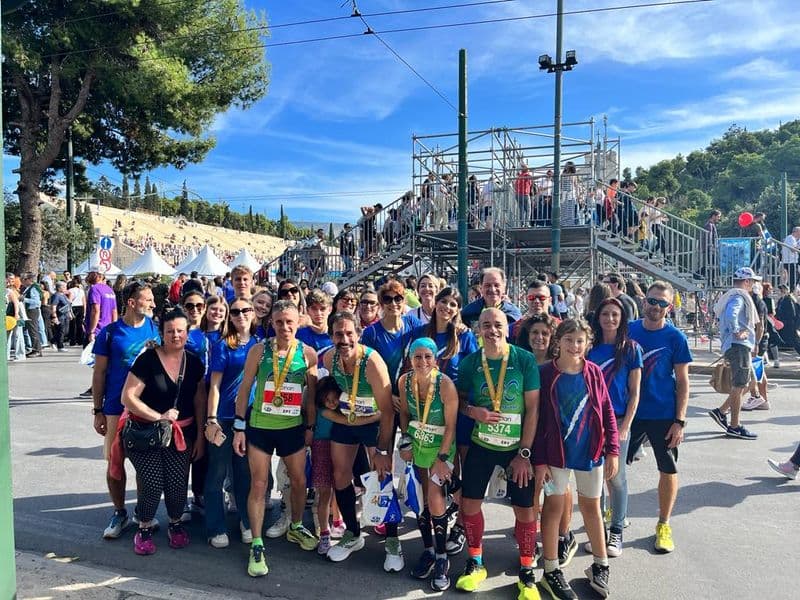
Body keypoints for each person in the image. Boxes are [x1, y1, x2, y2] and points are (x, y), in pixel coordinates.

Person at [454, 309, 541, 598]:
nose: (492, 330)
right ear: (478, 329)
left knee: (525, 508)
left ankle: (527, 568)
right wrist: (472, 411)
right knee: (469, 505)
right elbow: (460, 401)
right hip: (482, 445)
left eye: (498, 325)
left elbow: (532, 410)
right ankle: (475, 561)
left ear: (508, 328)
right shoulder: (469, 363)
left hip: (516, 449)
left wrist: (524, 454)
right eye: (486, 325)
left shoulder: (523, 360)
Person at [233, 300, 319, 577]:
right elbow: (245, 389)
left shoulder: (307, 354)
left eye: (289, 322)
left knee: (299, 481)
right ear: (271, 322)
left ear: (298, 322)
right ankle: (257, 544)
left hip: (292, 427)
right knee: (259, 485)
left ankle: (295, 526)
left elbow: (313, 397)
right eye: (279, 322)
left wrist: (310, 426)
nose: (284, 327)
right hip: (259, 425)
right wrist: (239, 427)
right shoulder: (259, 351)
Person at [535, 319, 619, 599]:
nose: (575, 346)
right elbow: (534, 419)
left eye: (580, 340)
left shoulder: (594, 372)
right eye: (569, 340)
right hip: (555, 455)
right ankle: (550, 570)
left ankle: (600, 565)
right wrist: (538, 459)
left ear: (588, 343)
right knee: (553, 507)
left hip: (590, 453)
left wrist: (613, 450)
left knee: (592, 508)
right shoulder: (545, 373)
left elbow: (607, 411)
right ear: (558, 341)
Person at [120, 309, 207, 555]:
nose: (175, 335)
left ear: (187, 333)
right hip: (145, 432)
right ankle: (144, 526)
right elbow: (128, 396)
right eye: (170, 331)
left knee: (178, 482)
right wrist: (158, 417)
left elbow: (200, 399)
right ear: (162, 333)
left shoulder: (194, 362)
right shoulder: (147, 359)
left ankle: (176, 523)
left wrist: (200, 435)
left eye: (180, 330)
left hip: (183, 432)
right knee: (152, 481)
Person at [320, 312, 395, 568]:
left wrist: (383, 451)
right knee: (340, 474)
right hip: (348, 420)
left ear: (358, 335)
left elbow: (388, 411)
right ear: (331, 336)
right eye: (338, 334)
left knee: (381, 475)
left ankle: (393, 542)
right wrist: (344, 420)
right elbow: (323, 402)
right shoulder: (329, 358)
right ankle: (352, 533)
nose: (344, 339)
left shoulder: (372, 362)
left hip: (375, 422)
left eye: (349, 333)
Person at [412, 287, 479, 556]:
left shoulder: (464, 336)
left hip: (459, 412)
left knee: (461, 471)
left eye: (453, 304)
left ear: (458, 308)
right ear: (435, 304)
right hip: (428, 417)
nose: (447, 307)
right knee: (433, 472)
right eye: (443, 302)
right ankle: (435, 516)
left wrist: (470, 408)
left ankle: (460, 527)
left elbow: (474, 373)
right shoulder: (421, 334)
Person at [93, 282, 161, 539]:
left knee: (144, 464)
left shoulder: (155, 329)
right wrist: (97, 410)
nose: (153, 304)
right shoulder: (110, 333)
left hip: (145, 407)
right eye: (147, 299)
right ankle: (119, 512)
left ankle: (143, 513)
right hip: (114, 408)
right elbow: (99, 373)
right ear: (132, 302)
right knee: (114, 463)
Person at [628, 281, 691, 553]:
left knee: (667, 469)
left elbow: (684, 381)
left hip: (663, 414)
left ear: (670, 307)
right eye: (652, 301)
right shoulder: (628, 330)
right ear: (644, 302)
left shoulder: (676, 338)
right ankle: (613, 514)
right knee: (612, 465)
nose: (656, 307)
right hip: (628, 413)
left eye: (662, 303)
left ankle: (664, 524)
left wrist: (680, 420)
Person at [398, 338, 459, 591]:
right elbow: (404, 413)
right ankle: (428, 550)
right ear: (410, 359)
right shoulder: (404, 381)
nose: (422, 362)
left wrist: (444, 459)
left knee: (435, 500)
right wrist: (404, 441)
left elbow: (451, 426)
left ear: (435, 359)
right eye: (417, 357)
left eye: (427, 357)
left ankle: (443, 558)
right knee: (420, 500)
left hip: (440, 449)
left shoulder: (445, 385)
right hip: (417, 445)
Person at [587, 298, 642, 557]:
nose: (610, 319)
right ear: (598, 317)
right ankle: (597, 528)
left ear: (622, 319)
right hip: (590, 422)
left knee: (616, 478)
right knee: (594, 479)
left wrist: (625, 427)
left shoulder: (630, 349)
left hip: (618, 422)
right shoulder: (589, 348)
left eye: (615, 315)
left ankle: (616, 529)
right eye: (605, 314)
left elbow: (634, 394)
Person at [204, 298, 258, 548]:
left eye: (246, 310)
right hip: (224, 418)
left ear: (253, 313)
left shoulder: (261, 344)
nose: (240, 314)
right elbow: (214, 385)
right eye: (235, 311)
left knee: (244, 473)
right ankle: (215, 526)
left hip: (251, 418)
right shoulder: (224, 345)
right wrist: (211, 418)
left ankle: (247, 521)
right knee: (217, 472)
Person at [708, 267, 760, 440]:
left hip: (738, 345)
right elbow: (732, 315)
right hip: (738, 345)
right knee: (739, 385)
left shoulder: (732, 295)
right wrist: (737, 331)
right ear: (746, 282)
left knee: (750, 381)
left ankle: (721, 412)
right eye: (752, 281)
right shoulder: (738, 296)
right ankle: (734, 426)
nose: (753, 285)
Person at [361, 279, 422, 390]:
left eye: (398, 299)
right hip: (384, 393)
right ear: (381, 304)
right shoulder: (371, 333)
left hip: (412, 392)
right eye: (387, 299)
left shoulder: (413, 324)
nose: (393, 304)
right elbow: (368, 370)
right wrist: (387, 395)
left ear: (404, 302)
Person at [511, 280, 559, 346]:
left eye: (542, 298)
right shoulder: (514, 328)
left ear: (550, 300)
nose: (536, 301)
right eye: (531, 298)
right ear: (526, 300)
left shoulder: (560, 327)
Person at [85, 271, 118, 346]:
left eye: (90, 274)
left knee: (89, 356)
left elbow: (95, 311)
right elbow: (114, 311)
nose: (88, 276)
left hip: (97, 330)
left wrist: (92, 331)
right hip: (107, 331)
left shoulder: (95, 289)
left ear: (97, 276)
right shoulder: (110, 290)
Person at [297, 290, 333, 354]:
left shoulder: (336, 336)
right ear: (307, 310)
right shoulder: (298, 334)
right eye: (314, 308)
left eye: (322, 309)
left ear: (330, 309)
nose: (318, 313)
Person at [20, 272, 43, 358]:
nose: (22, 282)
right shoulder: (28, 288)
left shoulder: (33, 288)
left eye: (24, 280)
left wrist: (24, 299)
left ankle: (37, 350)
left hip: (32, 311)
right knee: (30, 330)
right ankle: (34, 348)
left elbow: (37, 302)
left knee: (33, 330)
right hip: (29, 311)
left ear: (29, 280)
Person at [48, 281, 72, 352]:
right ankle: (60, 346)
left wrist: (69, 313)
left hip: (65, 315)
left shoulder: (63, 295)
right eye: (64, 287)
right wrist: (54, 316)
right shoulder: (56, 295)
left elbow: (68, 304)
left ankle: (52, 340)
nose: (65, 288)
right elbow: (53, 306)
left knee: (65, 331)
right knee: (61, 331)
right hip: (59, 316)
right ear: (59, 287)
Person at [67, 278, 86, 346]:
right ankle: (80, 340)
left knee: (73, 324)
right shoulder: (81, 291)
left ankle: (73, 340)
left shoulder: (70, 291)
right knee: (79, 324)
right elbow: (84, 301)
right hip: (81, 307)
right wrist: (85, 310)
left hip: (74, 307)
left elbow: (70, 300)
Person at [781, 226, 800, 291]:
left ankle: (792, 290)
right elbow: (793, 249)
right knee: (793, 278)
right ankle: (791, 291)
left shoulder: (791, 238)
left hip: (790, 261)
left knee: (795, 277)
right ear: (797, 232)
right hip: (790, 262)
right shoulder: (791, 238)